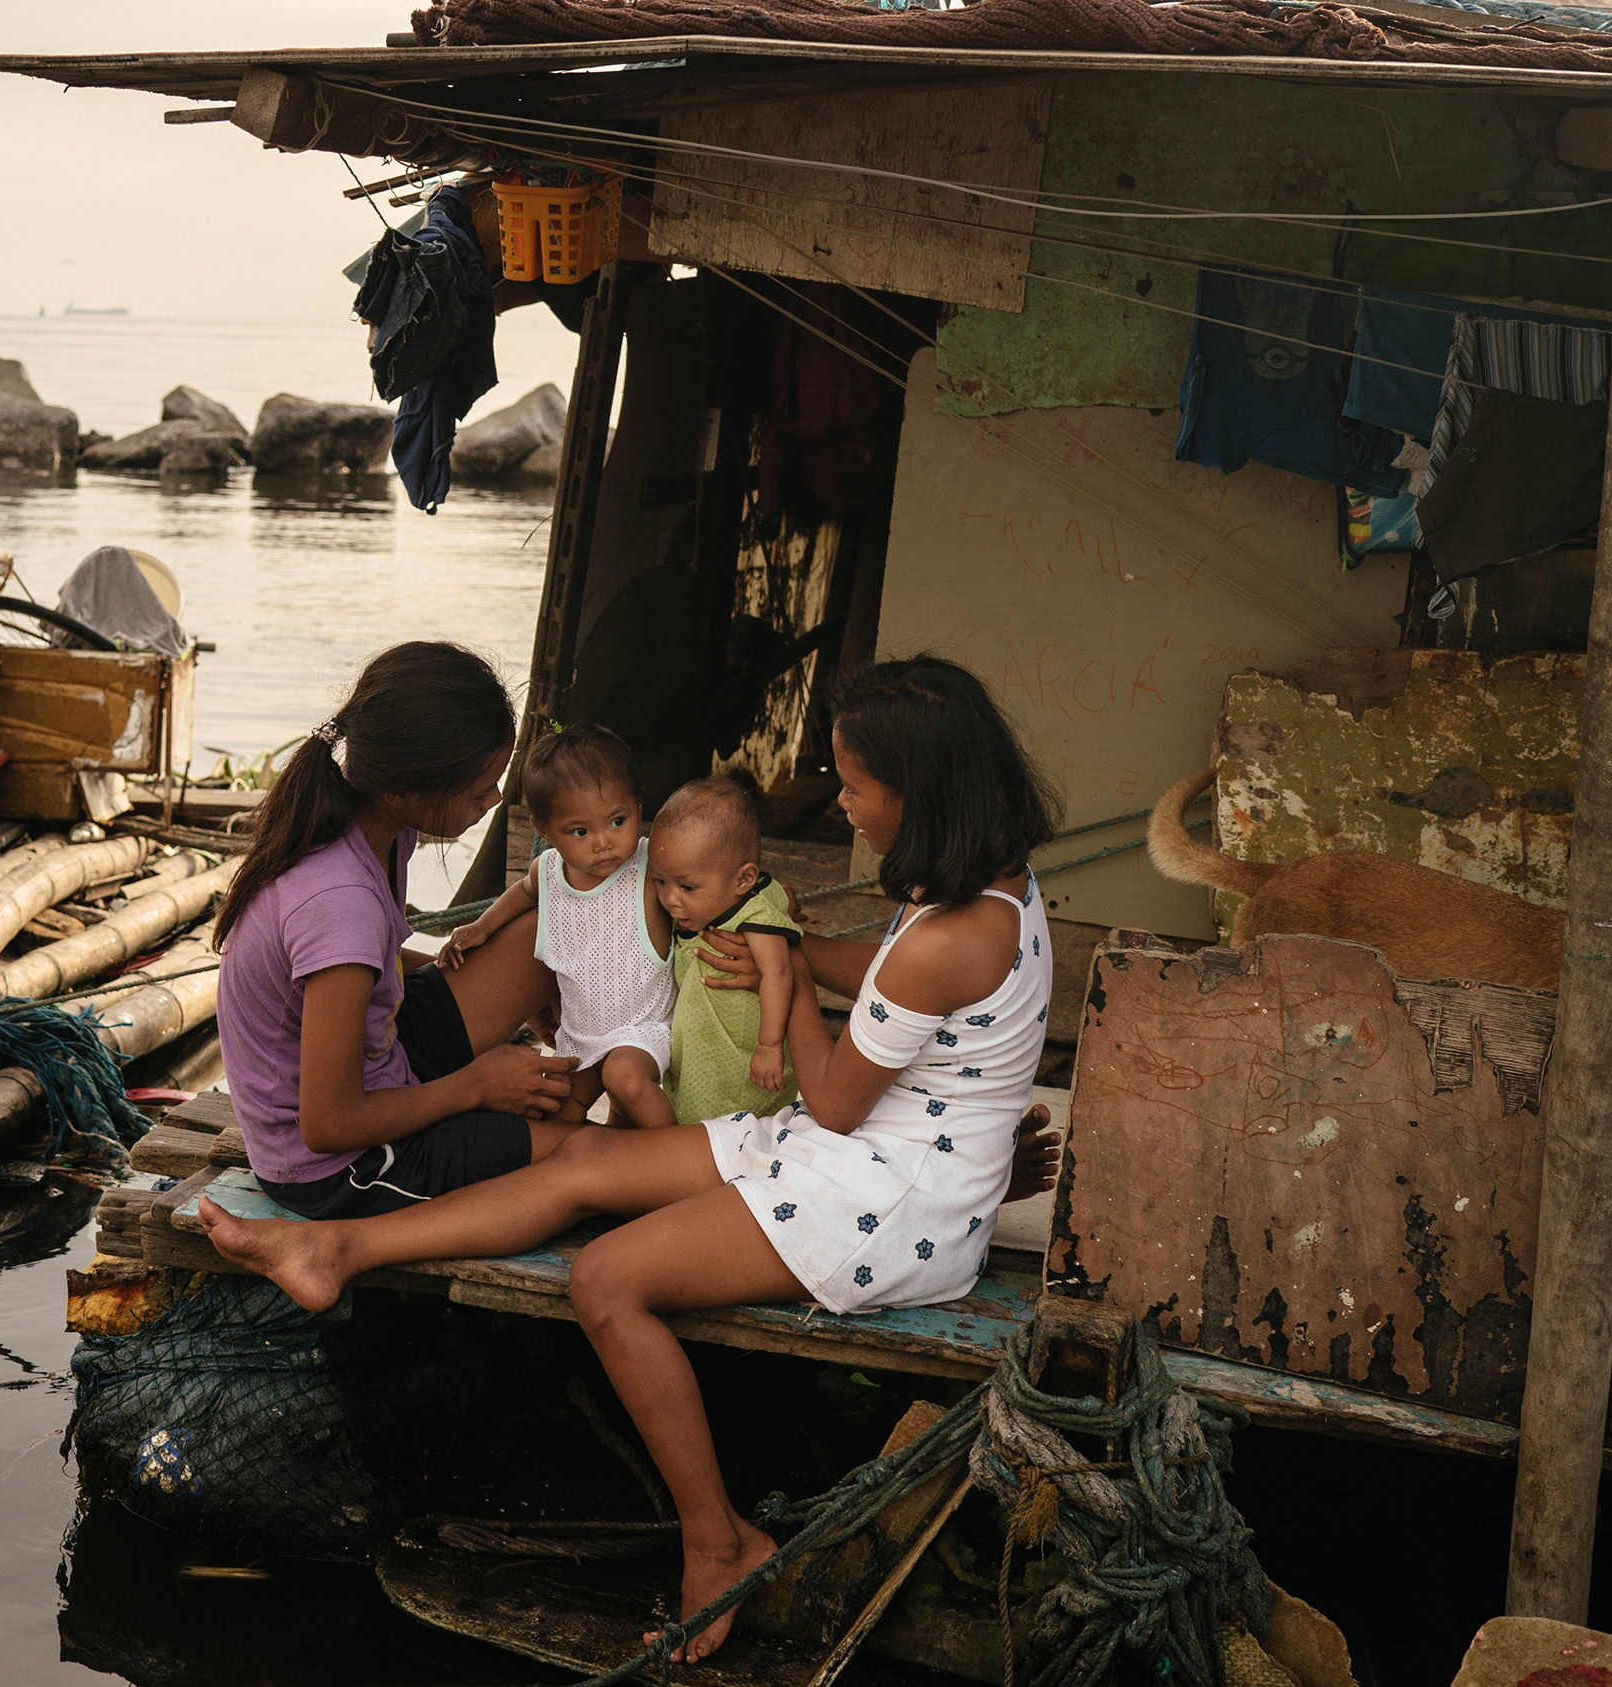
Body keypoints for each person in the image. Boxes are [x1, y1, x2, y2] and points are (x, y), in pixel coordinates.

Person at [200, 654, 1064, 1664]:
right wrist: (782, 942)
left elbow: (827, 1093)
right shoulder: (983, 883)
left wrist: (784, 984)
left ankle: (718, 1539)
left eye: (855, 785)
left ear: (921, 793)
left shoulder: (948, 933)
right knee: (582, 1171)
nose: (843, 803)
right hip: (873, 1152)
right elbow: (897, 989)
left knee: (607, 1281)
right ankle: (338, 1250)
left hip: (880, 1188)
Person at [214, 642, 582, 1221]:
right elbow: (328, 1124)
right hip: (340, 1167)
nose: (494, 801)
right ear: (403, 790)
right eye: (479, 790)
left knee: (551, 933)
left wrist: (451, 963)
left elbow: (362, 969)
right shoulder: (341, 902)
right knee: (594, 1162)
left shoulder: (379, 828)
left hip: (381, 1061)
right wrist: (475, 1087)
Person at [438, 724, 676, 1129]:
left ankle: (682, 1162)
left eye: (618, 821)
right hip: (580, 1036)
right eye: (580, 831)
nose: (603, 841)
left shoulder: (650, 865)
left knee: (625, 1080)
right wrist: (482, 926)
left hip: (644, 1029)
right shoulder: (548, 872)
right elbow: (525, 893)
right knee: (556, 1109)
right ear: (545, 831)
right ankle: (608, 1167)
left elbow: (708, 880)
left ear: (638, 806)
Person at [647, 777, 804, 1123]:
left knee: (735, 1127)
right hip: (702, 1053)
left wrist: (769, 1046)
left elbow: (778, 974)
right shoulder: (700, 908)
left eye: (687, 886)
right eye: (660, 881)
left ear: (744, 881)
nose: (670, 899)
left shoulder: (754, 917)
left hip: (739, 1056)